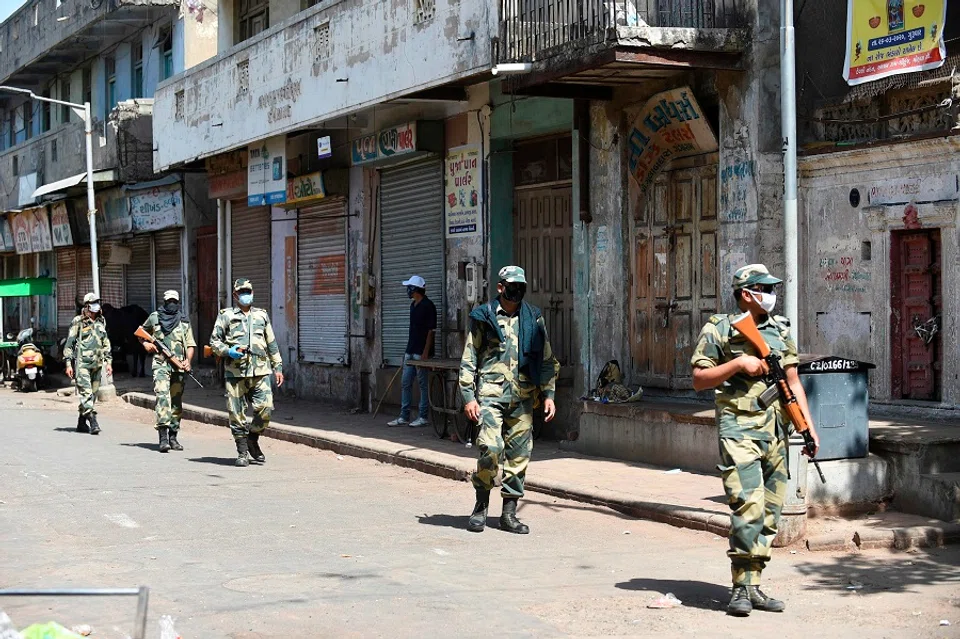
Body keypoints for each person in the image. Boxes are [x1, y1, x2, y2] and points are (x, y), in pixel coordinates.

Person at [690, 264, 820, 617]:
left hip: (776, 431)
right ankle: (740, 589)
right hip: (739, 429)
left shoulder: (779, 330)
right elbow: (699, 379)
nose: (772, 294)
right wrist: (738, 365)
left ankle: (754, 583)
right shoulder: (719, 328)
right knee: (748, 505)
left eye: (772, 287)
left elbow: (793, 383)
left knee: (770, 512)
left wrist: (808, 428)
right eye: (765, 287)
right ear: (746, 293)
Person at [459, 265, 560, 534]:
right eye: (512, 286)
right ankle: (481, 506)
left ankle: (508, 514)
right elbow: (469, 359)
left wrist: (548, 394)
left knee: (519, 456)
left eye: (521, 287)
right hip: (490, 395)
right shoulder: (485, 316)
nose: (517, 291)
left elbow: (546, 359)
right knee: (490, 449)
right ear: (500, 287)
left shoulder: (533, 317)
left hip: (524, 397)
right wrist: (469, 396)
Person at [209, 278, 284, 467]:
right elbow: (214, 342)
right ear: (235, 295)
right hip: (235, 373)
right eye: (242, 292)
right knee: (236, 414)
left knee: (266, 409)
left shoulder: (261, 315)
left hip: (260, 371)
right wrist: (228, 351)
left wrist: (278, 367)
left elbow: (271, 343)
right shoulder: (226, 315)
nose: (245, 295)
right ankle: (242, 451)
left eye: (248, 291)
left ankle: (252, 438)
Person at [139, 290, 196, 453]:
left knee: (176, 401)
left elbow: (191, 344)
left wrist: (188, 361)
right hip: (161, 364)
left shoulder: (183, 320)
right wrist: (145, 344)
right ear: (164, 302)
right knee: (163, 397)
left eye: (174, 301)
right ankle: (163, 438)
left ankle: (173, 436)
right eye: (169, 300)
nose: (172, 303)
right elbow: (141, 333)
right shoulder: (155, 317)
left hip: (178, 366)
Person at [387, 275, 437, 428]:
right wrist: (406, 350)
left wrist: (425, 353)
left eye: (409, 287)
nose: (407, 290)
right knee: (406, 383)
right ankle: (404, 416)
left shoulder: (428, 306)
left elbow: (431, 331)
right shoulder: (413, 306)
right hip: (410, 351)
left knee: (422, 384)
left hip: (421, 352)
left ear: (415, 289)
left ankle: (423, 416)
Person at [63, 292, 113, 435]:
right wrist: (68, 363)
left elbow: (105, 342)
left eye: (98, 302)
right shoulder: (78, 321)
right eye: (93, 303)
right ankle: (93, 420)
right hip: (82, 365)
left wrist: (108, 362)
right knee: (86, 393)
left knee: (92, 395)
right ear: (86, 306)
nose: (96, 305)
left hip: (97, 365)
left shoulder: (101, 321)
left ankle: (81, 422)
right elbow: (69, 343)